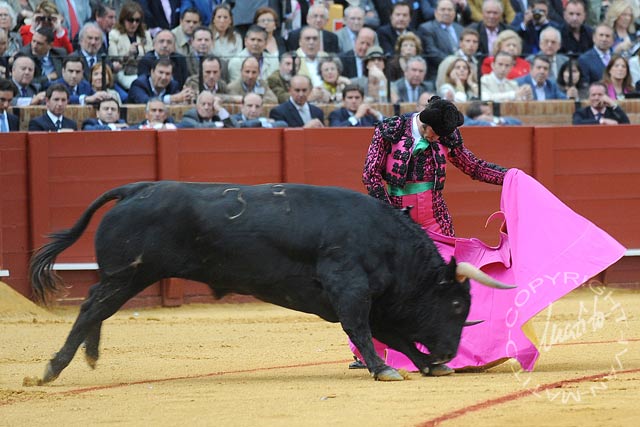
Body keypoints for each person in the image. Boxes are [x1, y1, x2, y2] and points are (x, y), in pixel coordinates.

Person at [359, 95, 508, 376]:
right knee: (383, 283)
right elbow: (370, 175)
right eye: (437, 134)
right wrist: (389, 215)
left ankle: (456, 349)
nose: (441, 139)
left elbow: (472, 166)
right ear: (427, 127)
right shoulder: (389, 130)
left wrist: (509, 176)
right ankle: (372, 350)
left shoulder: (447, 135)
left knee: (448, 284)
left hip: (434, 216)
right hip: (396, 215)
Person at [108, 2, 153, 90]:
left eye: (137, 20)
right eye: (130, 20)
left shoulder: (145, 34)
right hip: (123, 73)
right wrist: (128, 54)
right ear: (123, 19)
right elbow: (113, 59)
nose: (134, 24)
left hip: (143, 72)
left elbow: (150, 55)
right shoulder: (114, 35)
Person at [417, 0, 465, 80]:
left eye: (449, 10)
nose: (446, 13)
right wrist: (454, 64)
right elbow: (432, 52)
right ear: (436, 12)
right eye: (443, 9)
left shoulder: (461, 29)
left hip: (462, 73)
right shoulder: (426, 28)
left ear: (454, 13)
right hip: (439, 74)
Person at [128, 57, 194, 104]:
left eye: (167, 74)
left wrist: (186, 98)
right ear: (152, 72)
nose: (163, 77)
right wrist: (172, 98)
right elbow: (146, 102)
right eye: (161, 72)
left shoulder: (173, 85)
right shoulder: (139, 84)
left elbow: (179, 101)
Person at [210, 3, 242, 67]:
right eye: (219, 17)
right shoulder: (207, 37)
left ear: (230, 20)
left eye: (225, 17)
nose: (222, 21)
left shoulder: (237, 37)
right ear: (213, 19)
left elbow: (239, 60)